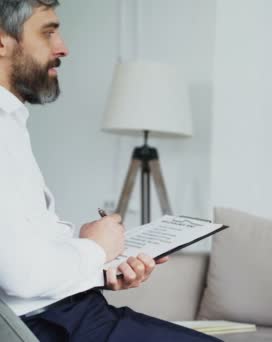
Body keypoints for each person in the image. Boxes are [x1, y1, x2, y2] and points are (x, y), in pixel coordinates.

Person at [0, 1, 221, 341]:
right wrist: (96, 249)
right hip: (53, 324)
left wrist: (98, 269)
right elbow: (22, 277)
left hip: (71, 312)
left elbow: (20, 254)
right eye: (48, 32)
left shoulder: (11, 124)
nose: (63, 48)